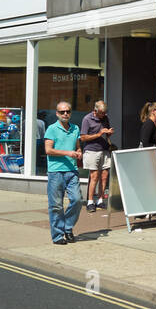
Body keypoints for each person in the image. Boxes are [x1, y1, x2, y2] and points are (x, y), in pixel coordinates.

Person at [43, 101, 82, 245]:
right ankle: (58, 236)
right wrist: (68, 153)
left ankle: (67, 227)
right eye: (62, 112)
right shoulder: (52, 129)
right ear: (57, 114)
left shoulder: (75, 128)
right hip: (56, 172)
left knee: (77, 200)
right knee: (56, 206)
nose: (65, 114)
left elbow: (78, 147)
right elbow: (48, 150)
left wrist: (79, 152)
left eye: (68, 111)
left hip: (72, 171)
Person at [79, 100, 115, 213]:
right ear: (95, 111)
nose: (103, 115)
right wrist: (98, 134)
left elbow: (107, 134)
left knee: (104, 176)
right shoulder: (87, 119)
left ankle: (100, 200)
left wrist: (109, 132)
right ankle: (90, 201)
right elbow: (83, 138)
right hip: (92, 150)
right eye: (101, 113)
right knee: (94, 176)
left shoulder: (105, 118)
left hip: (104, 149)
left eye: (105, 113)